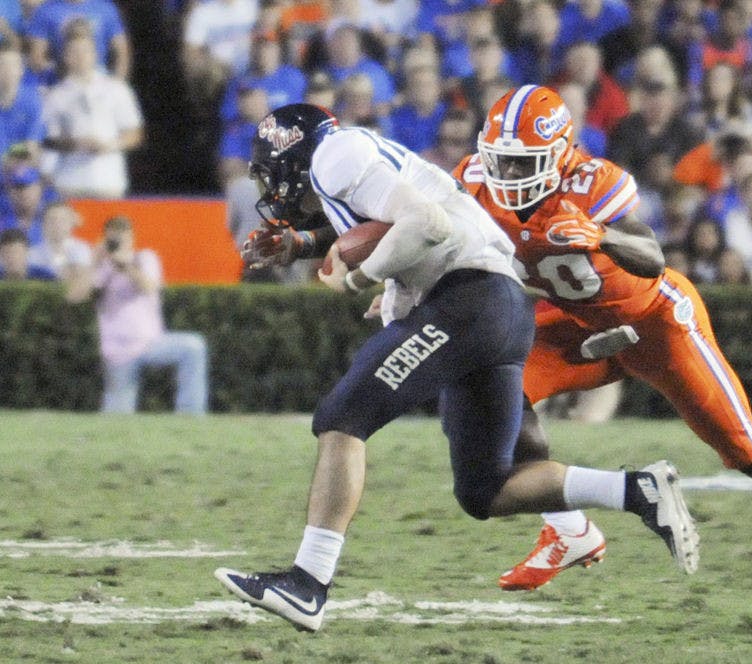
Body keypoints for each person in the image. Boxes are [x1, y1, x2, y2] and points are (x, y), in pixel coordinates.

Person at [214, 103, 699, 633]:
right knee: (485, 489)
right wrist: (302, 245)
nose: (270, 185)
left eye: (270, 168)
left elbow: (426, 222)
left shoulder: (335, 155)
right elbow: (392, 220)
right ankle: (635, 491)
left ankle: (307, 584)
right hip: (498, 307)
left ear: (291, 153)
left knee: (342, 416)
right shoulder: (354, 157)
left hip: (469, 299)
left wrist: (360, 279)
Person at [454, 85, 752, 632]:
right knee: (493, 385)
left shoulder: (595, 184)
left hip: (654, 322)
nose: (508, 174)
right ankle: (567, 529)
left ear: (560, 153)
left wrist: (601, 235)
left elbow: (652, 259)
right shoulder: (475, 182)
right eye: (501, 160)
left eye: (523, 162)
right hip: (573, 324)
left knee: (747, 450)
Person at [64, 215, 208, 414]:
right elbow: (74, 296)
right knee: (118, 413)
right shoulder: (101, 268)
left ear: (131, 238)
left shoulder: (144, 258)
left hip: (150, 342)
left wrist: (125, 265)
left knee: (193, 346)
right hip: (117, 350)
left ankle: (190, 413)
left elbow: (149, 287)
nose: (119, 241)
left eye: (123, 236)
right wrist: (94, 261)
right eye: (113, 237)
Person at [41, 28, 144, 199]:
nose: (81, 57)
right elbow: (47, 140)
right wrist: (75, 144)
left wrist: (110, 145)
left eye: (85, 51)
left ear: (95, 54)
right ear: (65, 57)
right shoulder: (55, 96)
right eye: (74, 52)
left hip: (108, 181)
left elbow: (134, 133)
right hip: (69, 182)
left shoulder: (117, 89)